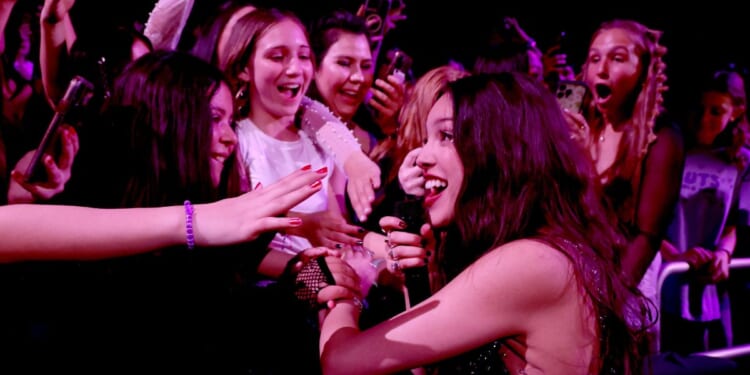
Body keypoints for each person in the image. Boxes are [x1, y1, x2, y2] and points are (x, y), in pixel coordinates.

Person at [318, 72, 652, 374]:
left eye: (446, 136)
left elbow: (341, 363)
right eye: (425, 140)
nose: (422, 157)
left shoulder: (531, 263)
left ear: (502, 150)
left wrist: (342, 291)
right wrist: (415, 278)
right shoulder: (537, 249)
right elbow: (427, 371)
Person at [565, 19, 685, 285]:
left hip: (622, 280)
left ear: (643, 70)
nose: (602, 69)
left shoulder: (660, 137)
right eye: (594, 59)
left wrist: (614, 303)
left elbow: (647, 237)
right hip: (572, 270)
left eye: (617, 58)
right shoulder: (582, 128)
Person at [659, 69, 750, 355]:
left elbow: (734, 222)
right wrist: (674, 256)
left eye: (716, 111)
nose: (704, 119)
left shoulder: (740, 161)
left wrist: (724, 253)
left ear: (736, 112)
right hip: (666, 277)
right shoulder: (670, 148)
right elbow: (642, 217)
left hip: (709, 286)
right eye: (699, 109)